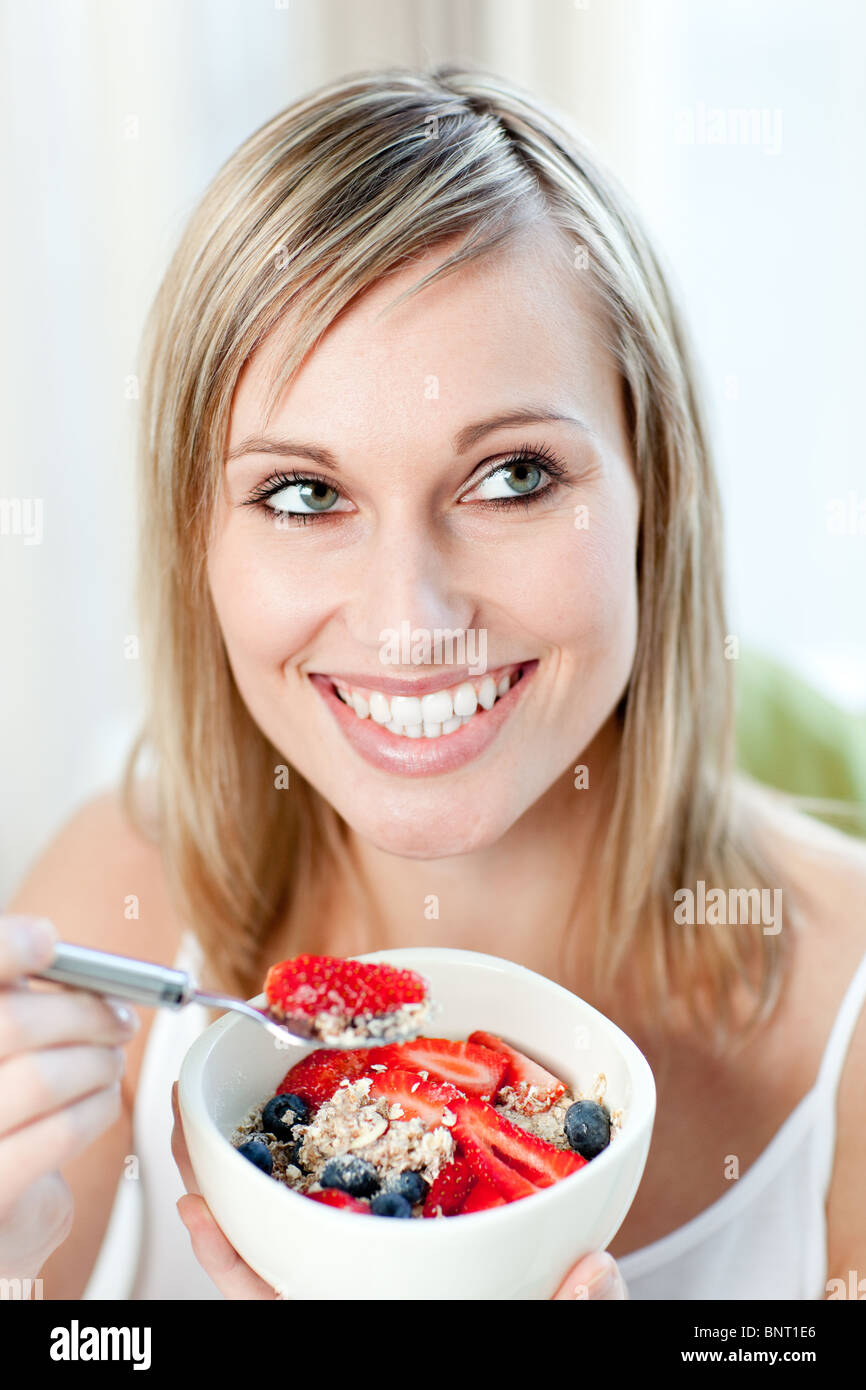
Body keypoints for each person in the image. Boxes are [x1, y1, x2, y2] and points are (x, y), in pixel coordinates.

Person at [3, 65, 864, 1302]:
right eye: (303, 494)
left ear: (649, 496)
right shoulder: (108, 909)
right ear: (201, 542)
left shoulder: (849, 1032)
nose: (411, 621)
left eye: (511, 477)